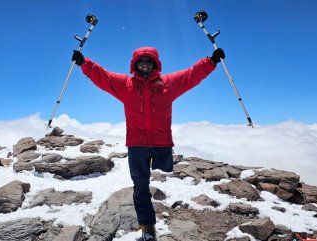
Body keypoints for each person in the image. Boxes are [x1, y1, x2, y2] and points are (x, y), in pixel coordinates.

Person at [72, 46, 224, 241]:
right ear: (135, 65)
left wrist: (210, 61)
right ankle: (147, 227)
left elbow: (191, 75)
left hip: (162, 144)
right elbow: (103, 76)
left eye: (149, 61)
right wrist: (85, 63)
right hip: (137, 145)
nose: (145, 65)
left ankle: (174, 212)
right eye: (141, 61)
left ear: (155, 64)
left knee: (168, 183)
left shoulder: (167, 84)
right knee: (141, 187)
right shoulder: (125, 85)